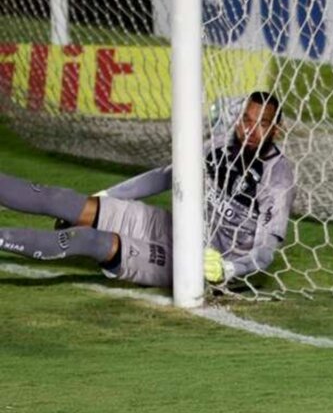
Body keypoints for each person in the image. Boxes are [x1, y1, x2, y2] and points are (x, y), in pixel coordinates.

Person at [0, 90, 295, 288]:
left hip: (200, 263)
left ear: (276, 129)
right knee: (62, 200)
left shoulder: (277, 178)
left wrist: (228, 270)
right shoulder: (221, 144)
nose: (249, 130)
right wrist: (107, 197)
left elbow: (267, 249)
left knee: (89, 240)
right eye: (246, 120)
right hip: (175, 226)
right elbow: (168, 176)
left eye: (262, 124)